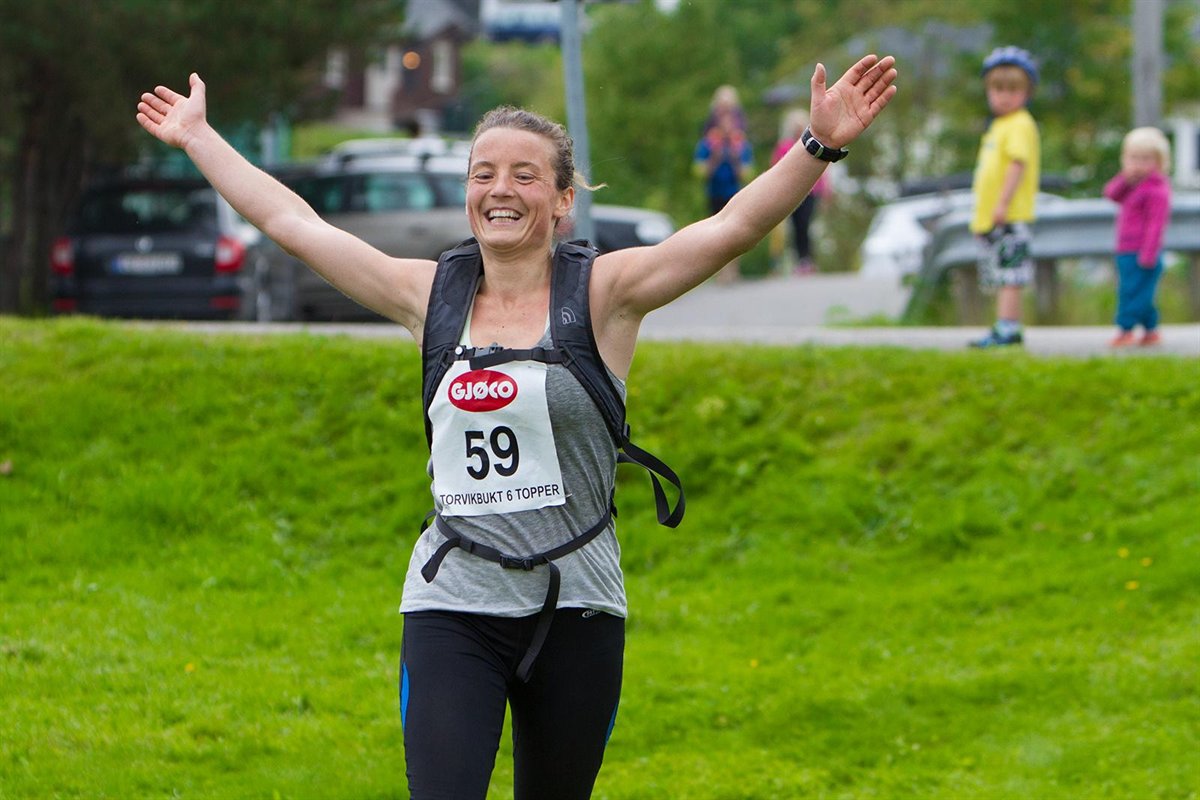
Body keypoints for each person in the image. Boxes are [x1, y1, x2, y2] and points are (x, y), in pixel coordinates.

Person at [136, 53, 897, 799]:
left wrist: (818, 145)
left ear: (563, 200)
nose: (500, 190)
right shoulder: (427, 295)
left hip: (578, 607)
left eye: (524, 175)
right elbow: (290, 221)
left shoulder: (606, 293)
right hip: (452, 604)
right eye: (484, 174)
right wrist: (200, 136)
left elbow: (730, 228)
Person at [967, 46, 1041, 348]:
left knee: (1010, 274)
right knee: (1002, 274)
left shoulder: (1020, 124)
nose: (1004, 96)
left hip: (1009, 214)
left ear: (1026, 92)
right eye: (998, 89)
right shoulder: (999, 125)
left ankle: (1008, 327)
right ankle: (1006, 324)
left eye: (1013, 90)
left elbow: (1016, 165)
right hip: (995, 215)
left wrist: (1002, 204)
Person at [1103, 127, 1172, 347]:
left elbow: (1156, 224)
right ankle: (1151, 329)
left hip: (1143, 251)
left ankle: (1125, 328)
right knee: (1135, 290)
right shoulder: (1130, 186)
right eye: (1133, 158)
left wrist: (1149, 253)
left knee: (1133, 292)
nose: (1138, 164)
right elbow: (1111, 194)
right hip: (1125, 248)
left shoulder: (1157, 190)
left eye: (1145, 159)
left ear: (1159, 162)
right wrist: (1125, 178)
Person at [694, 85, 754, 283]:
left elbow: (747, 172)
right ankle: (720, 272)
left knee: (735, 231)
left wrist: (736, 158)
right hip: (714, 191)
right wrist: (715, 158)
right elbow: (699, 171)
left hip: (734, 191)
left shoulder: (740, 142)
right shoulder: (709, 142)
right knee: (714, 232)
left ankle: (733, 270)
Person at [771, 108, 833, 275]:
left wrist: (826, 191)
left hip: (812, 191)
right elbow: (775, 168)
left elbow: (823, 168)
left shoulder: (813, 143)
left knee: (805, 224)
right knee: (796, 226)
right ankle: (800, 259)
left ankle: (807, 259)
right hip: (790, 192)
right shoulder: (783, 146)